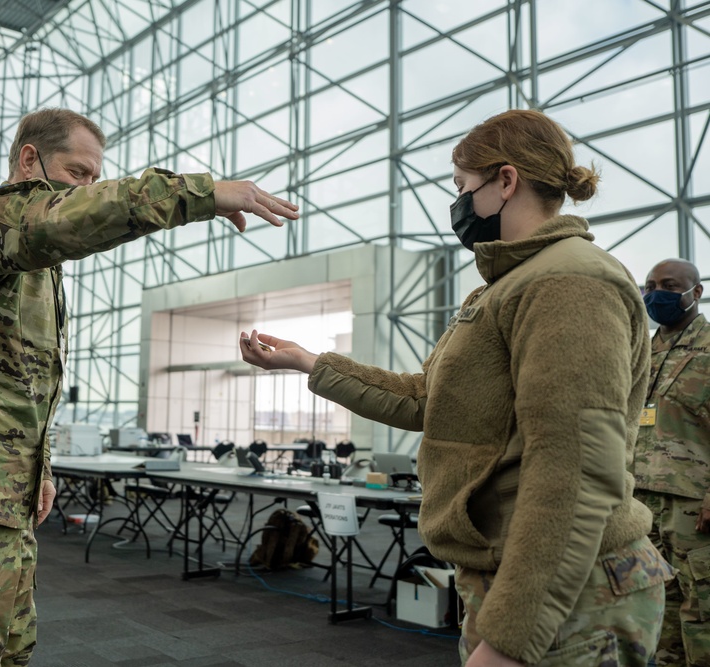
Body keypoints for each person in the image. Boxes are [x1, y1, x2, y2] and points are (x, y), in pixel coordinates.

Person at [240, 109, 672, 666]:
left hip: (568, 593)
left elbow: (576, 465)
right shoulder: (507, 285)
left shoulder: (568, 281)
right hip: (529, 575)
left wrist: (513, 637)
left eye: (464, 188)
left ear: (506, 181)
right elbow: (428, 399)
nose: (460, 204)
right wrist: (308, 363)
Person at [0, 106, 298, 666]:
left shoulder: (32, 269)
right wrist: (197, 193)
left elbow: (18, 383)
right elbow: (59, 221)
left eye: (95, 179)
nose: (87, 189)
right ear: (30, 161)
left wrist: (38, 465)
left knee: (6, 646)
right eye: (78, 173)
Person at [633, 258, 710, 667]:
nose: (655, 293)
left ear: (695, 292)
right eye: (649, 285)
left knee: (702, 610)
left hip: (693, 505)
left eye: (668, 285)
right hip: (642, 500)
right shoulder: (641, 350)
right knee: (657, 602)